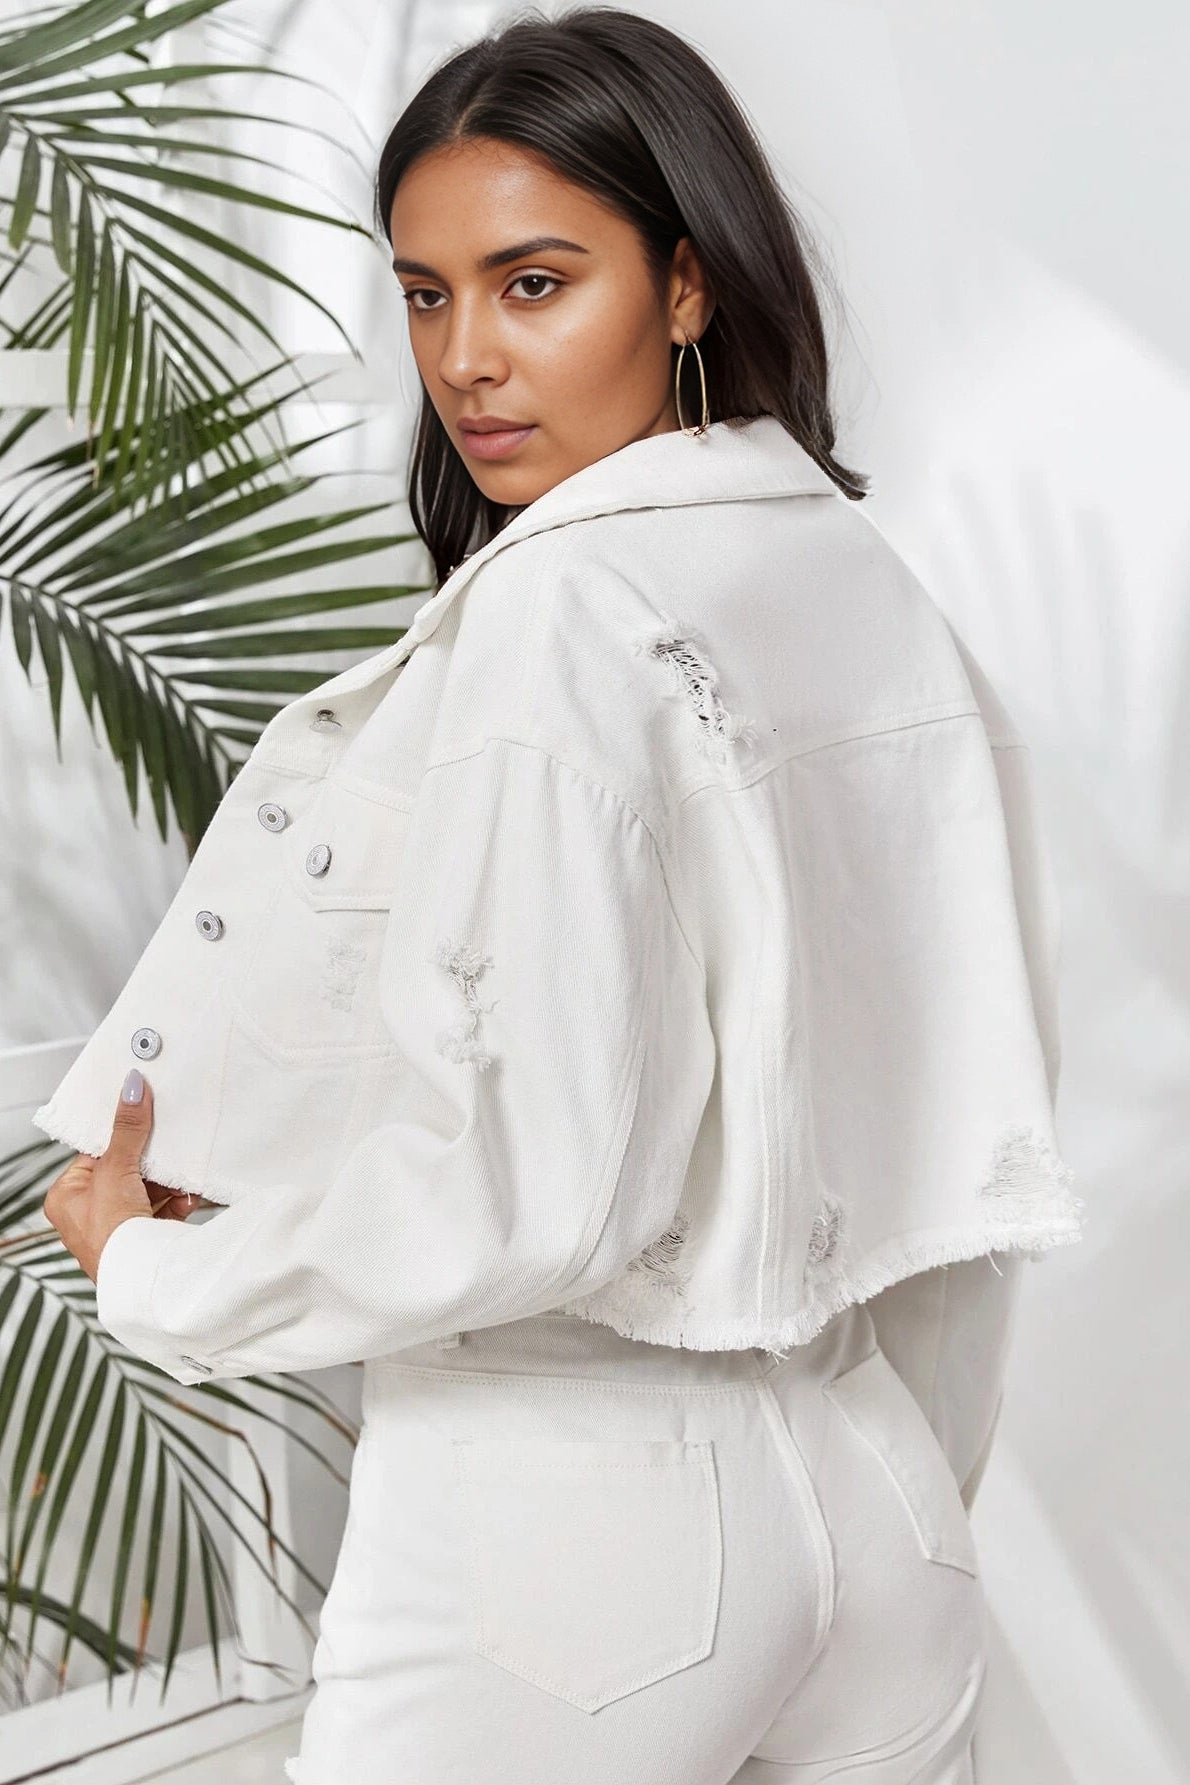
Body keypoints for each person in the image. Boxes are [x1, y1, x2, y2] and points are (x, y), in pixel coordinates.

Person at [38, 8, 1085, 1781]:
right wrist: (910, 1481)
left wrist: (154, 1269)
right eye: (424, 294)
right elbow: (965, 1145)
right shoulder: (855, 583)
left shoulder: (558, 614)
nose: (466, 360)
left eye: (533, 284)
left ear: (684, 284)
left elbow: (532, 1192)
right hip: (876, 1485)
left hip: (565, 1522)